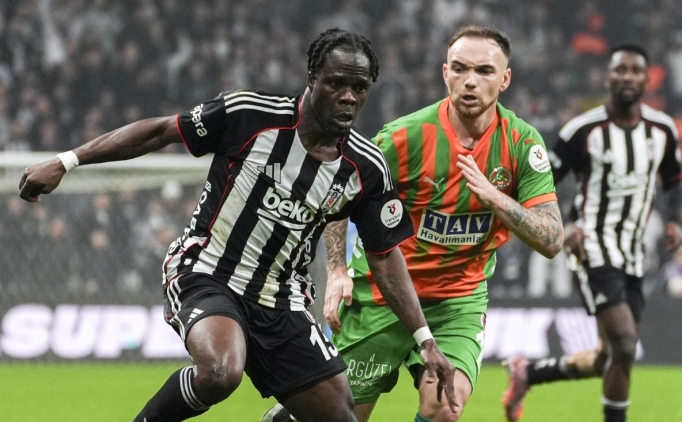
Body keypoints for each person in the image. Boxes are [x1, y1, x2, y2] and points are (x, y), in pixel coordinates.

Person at [19, 28, 458, 422]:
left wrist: (425, 340)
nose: (348, 97)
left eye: (359, 88)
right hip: (207, 271)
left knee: (340, 417)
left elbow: (384, 257)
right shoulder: (250, 115)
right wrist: (67, 161)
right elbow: (159, 132)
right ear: (311, 78)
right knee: (220, 371)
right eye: (336, 83)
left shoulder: (366, 167)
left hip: (281, 298)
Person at [262, 24, 564, 422]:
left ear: (505, 79)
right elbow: (341, 192)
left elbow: (552, 239)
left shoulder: (522, 144)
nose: (470, 81)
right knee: (337, 416)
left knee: (445, 408)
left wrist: (495, 197)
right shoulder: (405, 137)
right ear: (445, 73)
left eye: (484, 71)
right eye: (460, 68)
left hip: (457, 302)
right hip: (382, 295)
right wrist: (337, 270)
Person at [502, 44, 682, 422]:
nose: (627, 77)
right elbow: (542, 182)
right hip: (593, 247)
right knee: (625, 344)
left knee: (609, 357)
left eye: (635, 70)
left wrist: (674, 221)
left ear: (647, 79)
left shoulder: (662, 130)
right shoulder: (582, 130)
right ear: (607, 77)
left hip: (634, 254)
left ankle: (528, 373)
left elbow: (674, 180)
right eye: (620, 70)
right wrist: (564, 225)